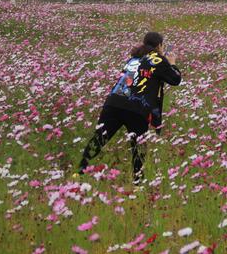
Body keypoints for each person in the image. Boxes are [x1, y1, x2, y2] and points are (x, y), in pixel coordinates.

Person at [77, 32, 181, 182]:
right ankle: (138, 183)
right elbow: (175, 79)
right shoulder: (158, 59)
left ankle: (79, 171)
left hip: (114, 103)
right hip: (137, 107)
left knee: (99, 139)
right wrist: (171, 63)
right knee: (138, 147)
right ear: (159, 46)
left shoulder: (133, 58)